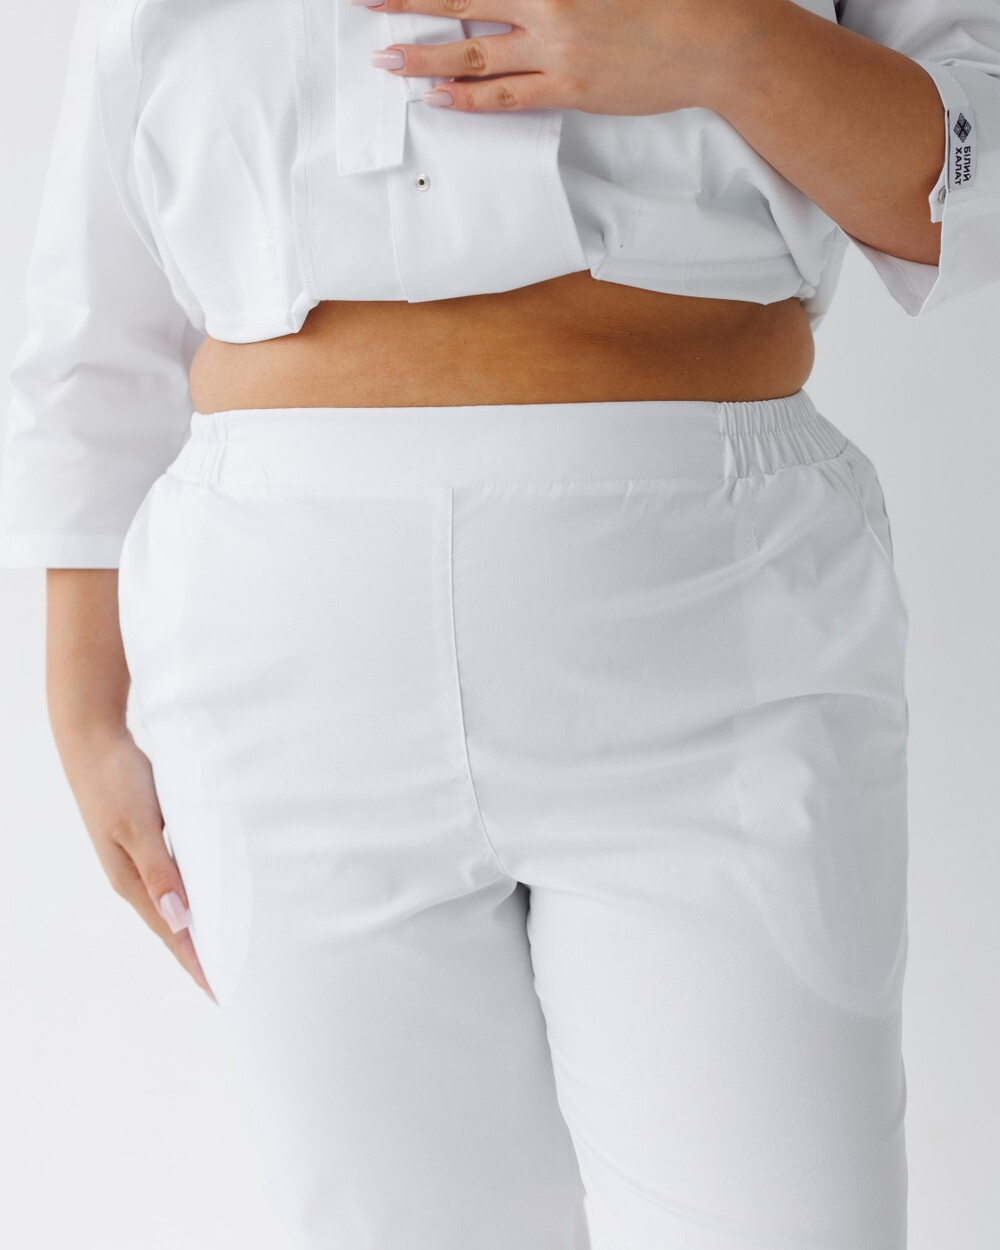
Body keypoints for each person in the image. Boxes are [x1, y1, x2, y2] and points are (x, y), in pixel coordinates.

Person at [1, 0, 998, 1246]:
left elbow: (970, 185)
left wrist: (714, 41)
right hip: (280, 639)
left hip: (714, 611)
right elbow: (98, 300)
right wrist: (83, 699)